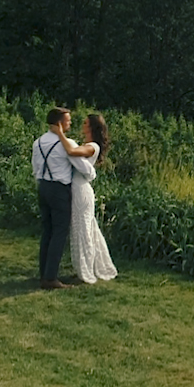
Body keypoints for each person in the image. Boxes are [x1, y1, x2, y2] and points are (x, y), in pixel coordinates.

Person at [32, 106, 95, 290]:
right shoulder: (67, 143)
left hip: (43, 186)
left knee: (47, 231)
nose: (70, 123)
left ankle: (44, 273)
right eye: (68, 120)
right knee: (60, 232)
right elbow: (83, 168)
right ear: (59, 123)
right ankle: (51, 277)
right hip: (59, 189)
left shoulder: (38, 142)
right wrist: (92, 174)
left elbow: (36, 167)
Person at [65, 113, 119, 284]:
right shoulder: (86, 145)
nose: (82, 125)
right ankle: (83, 267)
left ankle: (86, 269)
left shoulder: (92, 146)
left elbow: (73, 153)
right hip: (77, 188)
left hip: (81, 190)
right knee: (81, 229)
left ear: (91, 127)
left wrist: (60, 135)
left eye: (85, 123)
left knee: (84, 230)